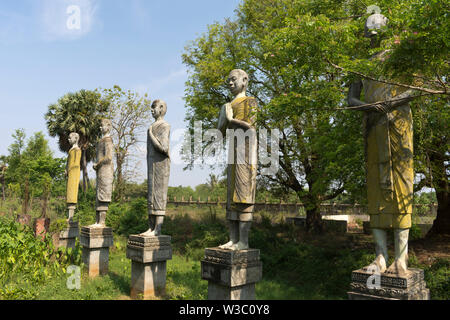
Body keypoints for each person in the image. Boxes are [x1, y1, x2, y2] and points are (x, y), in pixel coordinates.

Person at [347, 12, 416, 276]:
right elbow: (351, 98)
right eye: (370, 33)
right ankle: (380, 257)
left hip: (398, 127)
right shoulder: (362, 64)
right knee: (375, 189)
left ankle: (401, 259)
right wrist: (367, 106)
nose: (374, 38)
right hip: (373, 128)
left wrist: (391, 103)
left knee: (401, 185)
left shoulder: (400, 59)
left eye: (377, 33)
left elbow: (415, 89)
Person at [218, 69, 258, 250]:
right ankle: (233, 239)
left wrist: (231, 120)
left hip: (246, 153)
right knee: (231, 196)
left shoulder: (250, 101)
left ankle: (243, 241)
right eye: (228, 80)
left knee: (243, 195)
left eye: (234, 79)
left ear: (245, 81)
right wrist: (223, 119)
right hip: (232, 155)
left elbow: (251, 127)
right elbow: (220, 132)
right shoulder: (228, 104)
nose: (230, 83)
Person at [141, 100, 171, 236]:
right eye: (151, 108)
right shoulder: (152, 125)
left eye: (154, 107)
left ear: (161, 108)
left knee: (159, 195)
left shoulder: (165, 126)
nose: (152, 110)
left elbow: (163, 148)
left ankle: (157, 229)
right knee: (151, 195)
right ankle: (151, 227)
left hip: (161, 165)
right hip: (151, 164)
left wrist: (151, 134)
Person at [92, 119, 114, 227]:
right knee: (98, 195)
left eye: (103, 126)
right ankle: (97, 221)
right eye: (100, 126)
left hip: (106, 171)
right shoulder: (101, 140)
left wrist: (98, 163)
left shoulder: (108, 140)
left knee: (104, 195)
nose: (101, 128)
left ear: (109, 126)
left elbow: (108, 157)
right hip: (100, 171)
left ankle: (102, 221)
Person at [66, 132, 81, 222]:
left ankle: (71, 217)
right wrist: (66, 169)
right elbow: (68, 162)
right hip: (70, 173)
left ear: (75, 139)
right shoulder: (71, 150)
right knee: (69, 193)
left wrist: (70, 169)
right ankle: (68, 216)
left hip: (74, 173)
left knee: (72, 194)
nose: (68, 140)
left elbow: (76, 163)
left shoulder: (77, 150)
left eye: (70, 138)